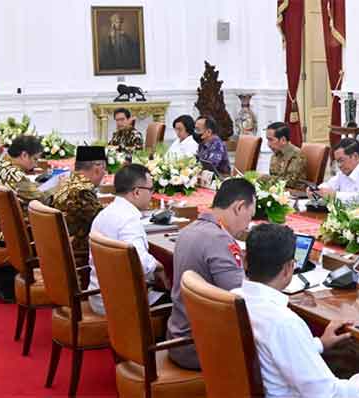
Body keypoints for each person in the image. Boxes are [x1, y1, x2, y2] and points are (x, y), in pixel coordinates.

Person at [234, 223, 359, 398]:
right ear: (289, 268)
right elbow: (329, 394)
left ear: (245, 261)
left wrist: (318, 343)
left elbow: (273, 351)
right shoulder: (283, 322)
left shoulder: (231, 298)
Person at [167, 178, 256, 369]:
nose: (247, 226)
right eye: (250, 217)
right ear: (239, 207)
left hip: (178, 337)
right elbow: (242, 303)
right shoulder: (220, 240)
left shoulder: (188, 230)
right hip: (202, 348)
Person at [88, 164, 167, 315]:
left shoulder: (105, 212)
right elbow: (141, 263)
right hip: (121, 303)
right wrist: (159, 266)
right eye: (151, 190)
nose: (152, 194)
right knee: (181, 304)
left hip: (99, 295)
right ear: (137, 192)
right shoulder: (129, 220)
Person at [0, 135, 52, 244]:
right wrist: (58, 186)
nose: (36, 163)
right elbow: (42, 200)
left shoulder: (1, 162)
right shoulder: (15, 174)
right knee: (50, 227)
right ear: (24, 155)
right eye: (35, 159)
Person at [49, 146, 107, 265]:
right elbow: (104, 221)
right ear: (97, 169)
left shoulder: (66, 181)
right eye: (104, 170)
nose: (104, 174)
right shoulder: (81, 193)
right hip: (76, 254)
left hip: (59, 248)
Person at [260, 121, 307, 190]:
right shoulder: (276, 154)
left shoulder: (297, 155)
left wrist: (264, 178)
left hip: (295, 195)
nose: (268, 144)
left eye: (271, 140)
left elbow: (289, 182)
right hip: (279, 191)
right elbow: (273, 176)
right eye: (267, 140)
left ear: (283, 140)